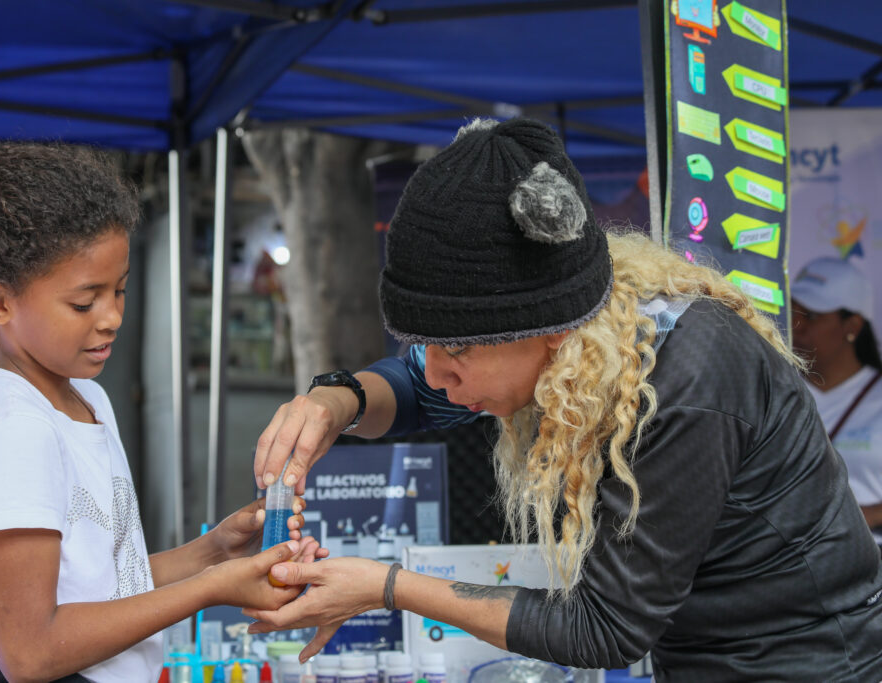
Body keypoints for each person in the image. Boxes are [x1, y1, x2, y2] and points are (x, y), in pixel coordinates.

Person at [246, 118, 882, 682]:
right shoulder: (580, 336)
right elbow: (413, 385)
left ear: (550, 330)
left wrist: (387, 587)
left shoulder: (689, 381)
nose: (437, 374)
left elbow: (603, 628)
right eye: (423, 343)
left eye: (458, 350)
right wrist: (336, 402)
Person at [0, 144, 324, 683]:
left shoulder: (87, 401)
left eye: (120, 290)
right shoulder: (17, 434)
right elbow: (30, 652)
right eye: (84, 302)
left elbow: (102, 587)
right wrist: (209, 589)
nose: (112, 317)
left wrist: (212, 555)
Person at [791, 257, 882, 548]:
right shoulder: (776, 387)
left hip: (868, 562)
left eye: (813, 316)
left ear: (852, 325)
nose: (797, 326)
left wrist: (864, 515)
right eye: (793, 311)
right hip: (787, 564)